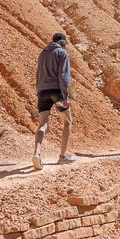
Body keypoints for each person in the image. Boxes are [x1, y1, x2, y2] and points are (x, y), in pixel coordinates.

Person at [33, 33, 76, 170]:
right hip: (57, 92)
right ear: (62, 43)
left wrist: (39, 91)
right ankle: (63, 156)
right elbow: (63, 76)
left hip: (43, 92)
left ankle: (36, 152)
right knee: (67, 121)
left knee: (43, 123)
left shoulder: (42, 54)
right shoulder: (61, 53)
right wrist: (66, 96)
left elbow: (38, 74)